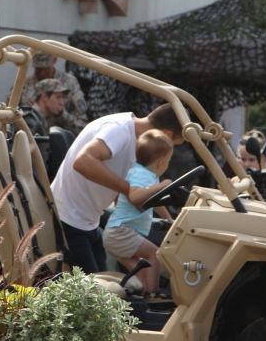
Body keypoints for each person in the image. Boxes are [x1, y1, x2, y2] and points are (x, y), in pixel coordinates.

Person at [51, 103, 183, 274]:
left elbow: (144, 188)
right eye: (175, 145)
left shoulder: (143, 146)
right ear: (167, 135)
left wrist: (171, 221)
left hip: (90, 222)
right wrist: (128, 190)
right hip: (69, 220)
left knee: (107, 286)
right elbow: (83, 160)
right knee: (94, 294)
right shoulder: (118, 130)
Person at [102, 130, 173, 295]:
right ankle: (153, 294)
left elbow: (157, 202)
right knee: (155, 254)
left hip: (116, 233)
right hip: (121, 231)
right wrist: (161, 186)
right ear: (162, 163)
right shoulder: (142, 175)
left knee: (141, 275)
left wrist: (170, 219)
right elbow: (134, 195)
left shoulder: (146, 175)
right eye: (169, 161)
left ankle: (143, 302)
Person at [16, 52, 88, 134]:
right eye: (38, 68)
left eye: (45, 68)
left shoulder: (70, 82)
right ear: (44, 97)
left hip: (61, 139)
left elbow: (82, 126)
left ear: (55, 60)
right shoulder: (24, 82)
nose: (42, 73)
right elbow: (11, 114)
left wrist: (61, 115)